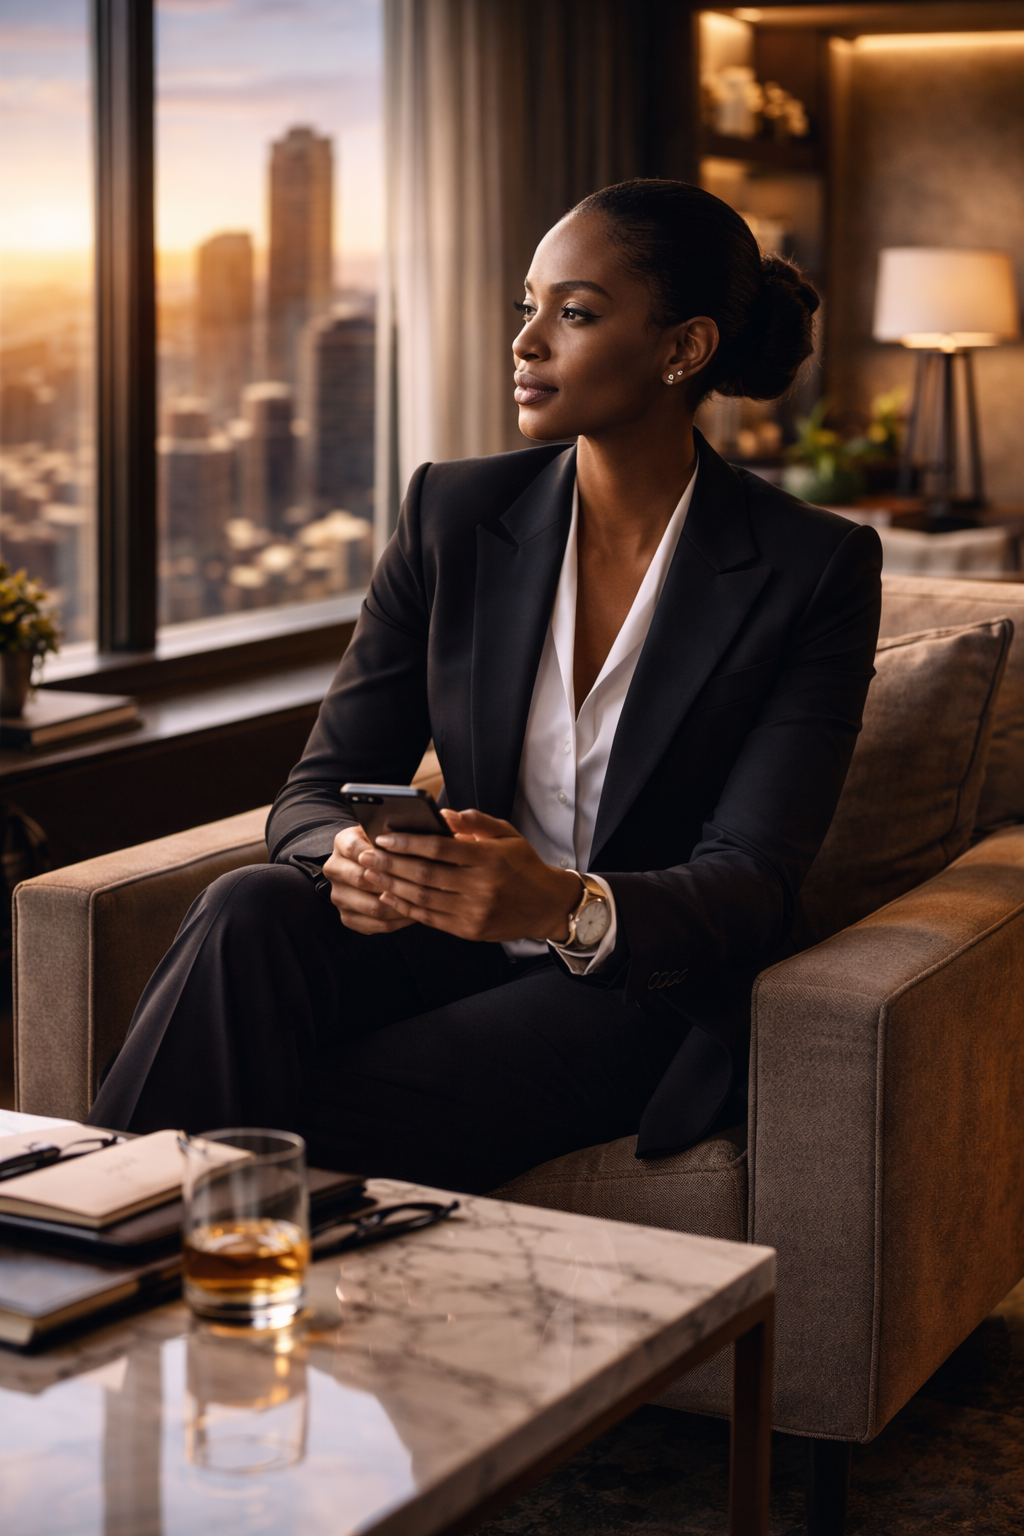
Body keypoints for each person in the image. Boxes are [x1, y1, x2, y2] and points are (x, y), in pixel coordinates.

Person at [90, 179, 882, 1193]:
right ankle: (70, 1256)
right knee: (248, 907)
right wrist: (347, 855)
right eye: (528, 307)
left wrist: (557, 905)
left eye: (576, 313)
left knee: (269, 1114)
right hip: (443, 946)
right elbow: (316, 785)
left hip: (636, 989)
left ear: (682, 348)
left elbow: (751, 878)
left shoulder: (811, 567)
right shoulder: (452, 514)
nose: (527, 342)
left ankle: (117, 1264)